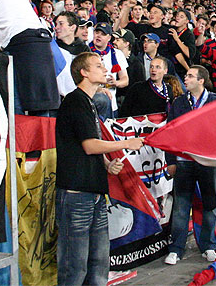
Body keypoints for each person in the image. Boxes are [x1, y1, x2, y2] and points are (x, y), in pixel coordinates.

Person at [56, 52, 143, 286]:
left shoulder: (89, 103)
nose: (105, 69)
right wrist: (126, 143)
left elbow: (85, 143)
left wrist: (107, 164)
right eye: (98, 66)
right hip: (77, 194)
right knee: (74, 267)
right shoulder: (75, 101)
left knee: (98, 263)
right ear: (83, 72)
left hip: (94, 192)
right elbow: (90, 145)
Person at [164, 65, 216, 265]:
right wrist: (170, 160)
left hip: (207, 161)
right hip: (184, 161)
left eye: (189, 76)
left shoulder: (214, 101)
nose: (185, 79)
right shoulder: (179, 102)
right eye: (186, 76)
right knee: (181, 207)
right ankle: (176, 249)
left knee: (210, 204)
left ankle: (208, 246)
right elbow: (170, 132)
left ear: (201, 80)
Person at [88, 22, 129, 119]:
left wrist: (116, 83)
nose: (98, 36)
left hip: (111, 105)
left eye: (103, 34)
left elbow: (125, 80)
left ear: (109, 38)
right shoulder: (86, 51)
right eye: (97, 32)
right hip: (90, 103)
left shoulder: (117, 54)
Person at [113, 28, 144, 103]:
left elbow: (139, 89)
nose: (114, 42)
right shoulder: (110, 58)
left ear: (126, 43)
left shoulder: (136, 65)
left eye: (117, 40)